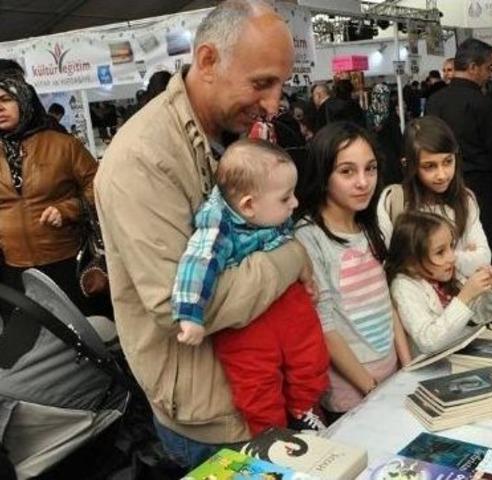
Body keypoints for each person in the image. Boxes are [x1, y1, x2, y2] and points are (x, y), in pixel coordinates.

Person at [95, 0, 315, 468]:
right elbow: (178, 305)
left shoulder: (240, 133)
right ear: (208, 60)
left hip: (267, 385)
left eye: (281, 85)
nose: (273, 104)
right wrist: (292, 258)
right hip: (214, 416)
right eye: (261, 83)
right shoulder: (142, 158)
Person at [171, 139, 328, 435]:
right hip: (246, 324)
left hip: (287, 300)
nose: (295, 203)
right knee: (255, 381)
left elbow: (293, 247)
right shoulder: (216, 226)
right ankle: (271, 433)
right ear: (248, 205)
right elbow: (196, 264)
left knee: (311, 354)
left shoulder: (268, 208)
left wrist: (305, 276)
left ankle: (304, 407)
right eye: (286, 198)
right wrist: (190, 315)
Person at [293, 122, 411, 419]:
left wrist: (407, 367)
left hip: (392, 377)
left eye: (370, 169)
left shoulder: (367, 224)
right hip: (352, 393)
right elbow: (325, 326)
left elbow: (386, 300)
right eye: (347, 171)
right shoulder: (309, 236)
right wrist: (370, 388)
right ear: (323, 175)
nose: (363, 182)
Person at [0, 75, 98, 315]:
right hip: (12, 268)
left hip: (64, 261)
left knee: (76, 328)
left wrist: (69, 209)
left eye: (6, 99)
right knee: (26, 335)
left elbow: (99, 186)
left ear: (24, 101)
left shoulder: (63, 145)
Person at [426, 38, 492, 266]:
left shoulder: (434, 100)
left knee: (446, 245)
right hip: (481, 187)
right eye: (487, 68)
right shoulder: (482, 103)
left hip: (441, 186)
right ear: (473, 67)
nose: (490, 74)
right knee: (484, 248)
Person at [377, 116, 491, 281]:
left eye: (448, 162)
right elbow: (387, 264)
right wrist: (463, 256)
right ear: (410, 165)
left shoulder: (465, 199)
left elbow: (484, 258)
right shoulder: (394, 201)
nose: (442, 174)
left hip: (463, 295)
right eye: (429, 166)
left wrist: (421, 259)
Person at [386, 211, 492, 354]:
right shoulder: (404, 287)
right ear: (411, 261)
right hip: (436, 363)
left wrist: (491, 289)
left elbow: (483, 317)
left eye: (451, 246)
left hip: (466, 352)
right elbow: (429, 342)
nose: (452, 257)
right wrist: (464, 297)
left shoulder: (447, 274)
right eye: (440, 252)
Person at [366, 82, 403, 187]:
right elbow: (397, 137)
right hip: (390, 154)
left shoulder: (369, 113)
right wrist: (402, 153)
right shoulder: (389, 114)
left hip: (375, 152)